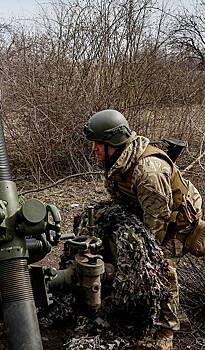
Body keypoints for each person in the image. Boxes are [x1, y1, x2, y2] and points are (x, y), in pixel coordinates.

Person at [83, 109, 204, 350]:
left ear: (113, 143)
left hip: (177, 223)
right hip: (149, 212)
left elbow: (156, 224)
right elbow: (123, 201)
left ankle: (164, 330)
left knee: (159, 266)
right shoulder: (117, 161)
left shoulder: (148, 172)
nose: (93, 149)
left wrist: (139, 256)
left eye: (98, 144)